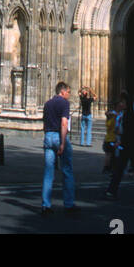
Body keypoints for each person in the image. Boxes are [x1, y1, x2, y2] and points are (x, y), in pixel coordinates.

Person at [42, 80, 78, 214]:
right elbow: (64, 123)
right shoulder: (64, 103)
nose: (69, 95)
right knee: (67, 170)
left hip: (48, 136)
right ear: (62, 92)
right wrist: (62, 143)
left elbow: (44, 124)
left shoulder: (47, 104)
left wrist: (47, 137)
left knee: (48, 172)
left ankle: (46, 205)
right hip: (58, 136)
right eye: (68, 92)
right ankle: (69, 204)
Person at [106, 90, 134, 202]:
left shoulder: (129, 115)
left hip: (128, 146)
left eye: (122, 102)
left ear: (126, 103)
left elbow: (129, 132)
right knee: (132, 170)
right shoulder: (129, 114)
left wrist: (120, 142)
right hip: (130, 146)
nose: (121, 104)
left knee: (121, 169)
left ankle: (111, 191)